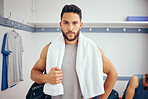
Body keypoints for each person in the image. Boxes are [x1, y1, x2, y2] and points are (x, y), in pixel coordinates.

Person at [30, 4, 118, 99]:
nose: (70, 28)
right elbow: (33, 73)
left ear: (80, 25)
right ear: (61, 24)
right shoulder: (49, 49)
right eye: (66, 23)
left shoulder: (92, 50)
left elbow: (113, 73)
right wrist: (46, 78)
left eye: (75, 23)